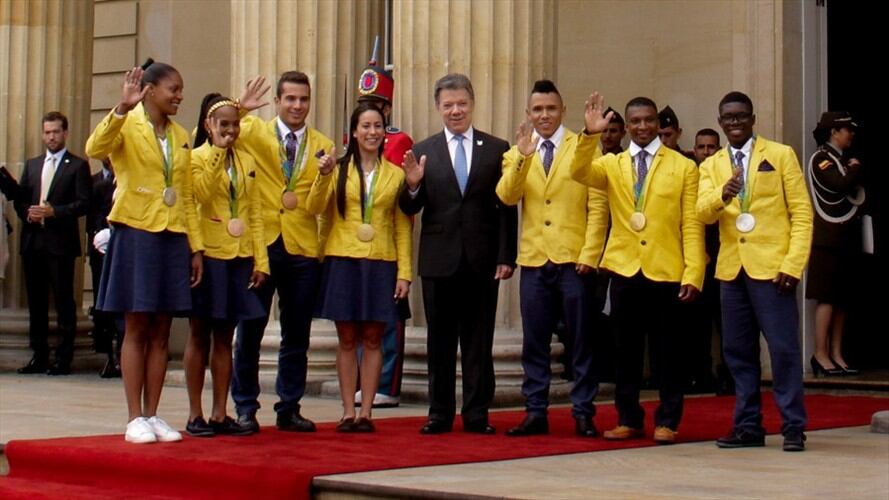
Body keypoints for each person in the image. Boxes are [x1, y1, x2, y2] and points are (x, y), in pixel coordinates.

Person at [569, 93, 705, 445]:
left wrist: (694, 273)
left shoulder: (683, 166)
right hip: (625, 269)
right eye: (636, 122)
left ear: (659, 124)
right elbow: (578, 171)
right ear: (626, 127)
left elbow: (690, 224)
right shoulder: (611, 165)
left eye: (649, 120)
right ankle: (628, 418)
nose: (643, 127)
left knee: (667, 353)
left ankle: (667, 421)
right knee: (625, 352)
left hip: (667, 269)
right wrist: (589, 135)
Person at [85, 59, 204, 444]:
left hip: (172, 234)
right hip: (136, 230)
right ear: (150, 91)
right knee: (136, 325)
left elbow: (185, 194)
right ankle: (134, 416)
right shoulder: (127, 125)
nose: (179, 96)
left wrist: (195, 248)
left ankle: (153, 414)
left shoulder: (181, 135)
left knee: (163, 327)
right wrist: (121, 107)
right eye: (174, 89)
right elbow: (94, 147)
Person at [400, 73, 518, 435]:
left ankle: (477, 413)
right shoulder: (425, 150)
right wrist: (413, 184)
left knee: (479, 340)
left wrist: (505, 255)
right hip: (439, 259)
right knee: (440, 340)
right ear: (438, 107)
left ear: (472, 103)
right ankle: (439, 412)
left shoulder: (497, 148)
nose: (455, 111)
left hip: (482, 259)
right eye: (448, 105)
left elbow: (506, 207)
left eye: (461, 104)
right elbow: (409, 207)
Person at [698, 91, 813, 452]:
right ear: (720, 121)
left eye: (741, 116)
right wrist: (723, 195)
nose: (735, 122)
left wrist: (793, 264)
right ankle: (748, 425)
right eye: (728, 117)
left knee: (782, 350)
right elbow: (702, 213)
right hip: (732, 272)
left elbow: (802, 214)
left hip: (774, 270)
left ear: (752, 118)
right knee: (738, 352)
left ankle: (793, 425)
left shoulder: (779, 155)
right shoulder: (711, 165)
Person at [496, 80, 607, 438]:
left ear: (563, 111)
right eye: (538, 110)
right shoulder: (518, 153)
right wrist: (524, 158)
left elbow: (598, 207)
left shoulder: (583, 146)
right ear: (529, 114)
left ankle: (583, 411)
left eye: (551, 109)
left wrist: (590, 254)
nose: (544, 116)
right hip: (534, 259)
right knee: (534, 340)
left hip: (574, 260)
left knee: (581, 339)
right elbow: (507, 197)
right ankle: (535, 410)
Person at [231, 72, 335, 433]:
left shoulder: (323, 144)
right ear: (277, 101)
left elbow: (317, 207)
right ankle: (245, 406)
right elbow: (221, 131)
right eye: (290, 99)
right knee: (250, 329)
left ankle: (288, 406)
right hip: (261, 245)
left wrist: (324, 176)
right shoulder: (256, 131)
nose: (297, 106)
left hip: (301, 248)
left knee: (297, 335)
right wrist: (240, 107)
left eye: (303, 99)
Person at [306, 102, 412, 432]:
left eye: (378, 126)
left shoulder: (395, 174)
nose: (372, 132)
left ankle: (367, 411)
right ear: (354, 132)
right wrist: (322, 177)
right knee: (347, 338)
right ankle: (347, 410)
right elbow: (314, 206)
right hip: (343, 259)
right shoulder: (337, 169)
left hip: (381, 261)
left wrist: (404, 273)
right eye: (365, 126)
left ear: (384, 132)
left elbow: (402, 227)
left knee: (374, 338)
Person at [184, 95, 269, 437]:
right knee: (199, 334)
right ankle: (195, 413)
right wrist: (217, 151)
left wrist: (260, 260)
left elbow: (255, 213)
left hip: (239, 256)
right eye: (224, 125)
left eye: (235, 124)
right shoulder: (196, 158)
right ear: (208, 126)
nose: (231, 130)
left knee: (225, 336)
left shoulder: (247, 160)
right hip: (209, 256)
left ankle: (221, 412)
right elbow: (199, 197)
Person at [353, 44, 414, 408]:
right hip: (357, 239)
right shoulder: (353, 141)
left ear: (387, 108)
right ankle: (365, 380)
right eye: (364, 104)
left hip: (389, 233)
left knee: (388, 318)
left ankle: (387, 383)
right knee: (361, 318)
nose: (369, 110)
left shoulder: (397, 140)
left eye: (375, 104)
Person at [14, 111, 91, 376]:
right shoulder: (33, 164)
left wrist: (54, 212)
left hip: (60, 244)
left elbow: (84, 203)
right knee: (36, 302)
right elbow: (21, 199)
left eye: (56, 132)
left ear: (65, 133)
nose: (51, 137)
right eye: (47, 132)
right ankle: (39, 354)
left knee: (63, 301)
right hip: (33, 241)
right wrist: (28, 212)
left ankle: (64, 357)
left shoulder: (77, 165)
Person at [806, 111, 864, 376]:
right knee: (827, 298)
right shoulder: (822, 159)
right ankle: (820, 353)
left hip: (844, 237)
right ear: (833, 132)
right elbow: (840, 185)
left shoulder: (839, 159)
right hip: (827, 239)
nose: (850, 134)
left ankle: (837, 353)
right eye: (846, 130)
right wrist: (853, 168)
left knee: (843, 299)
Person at [690, 128, 732, 395]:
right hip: (697, 261)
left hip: (724, 259)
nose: (706, 152)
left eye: (711, 147)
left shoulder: (727, 176)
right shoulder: (689, 176)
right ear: (695, 150)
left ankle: (729, 374)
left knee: (727, 323)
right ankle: (700, 373)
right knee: (698, 325)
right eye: (702, 147)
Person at [87, 157, 121, 378]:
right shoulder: (96, 184)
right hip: (102, 252)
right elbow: (92, 220)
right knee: (104, 307)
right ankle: (109, 354)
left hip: (126, 249)